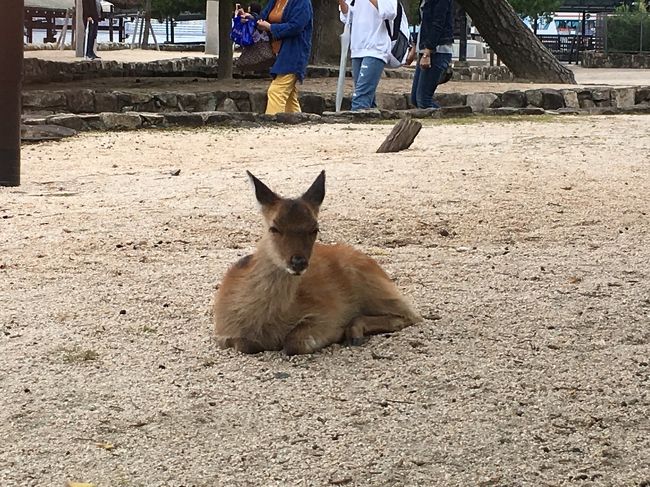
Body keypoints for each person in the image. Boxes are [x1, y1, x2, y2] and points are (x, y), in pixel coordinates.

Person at [256, 0, 313, 114]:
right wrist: (249, 18)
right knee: (289, 98)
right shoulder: (275, 1)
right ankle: (298, 124)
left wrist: (271, 28)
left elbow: (296, 26)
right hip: (279, 53)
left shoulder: (302, 2)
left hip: (294, 53)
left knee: (276, 91)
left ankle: (272, 125)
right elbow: (263, 18)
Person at [338, 0, 396, 111]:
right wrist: (342, 3)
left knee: (360, 97)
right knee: (367, 97)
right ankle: (371, 123)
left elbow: (390, 12)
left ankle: (354, 125)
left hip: (376, 47)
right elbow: (347, 17)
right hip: (357, 48)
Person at [408, 0, 453, 109]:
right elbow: (423, 24)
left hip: (437, 51)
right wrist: (415, 48)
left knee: (423, 100)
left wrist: (427, 52)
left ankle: (447, 117)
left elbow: (438, 23)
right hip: (424, 50)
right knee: (415, 99)